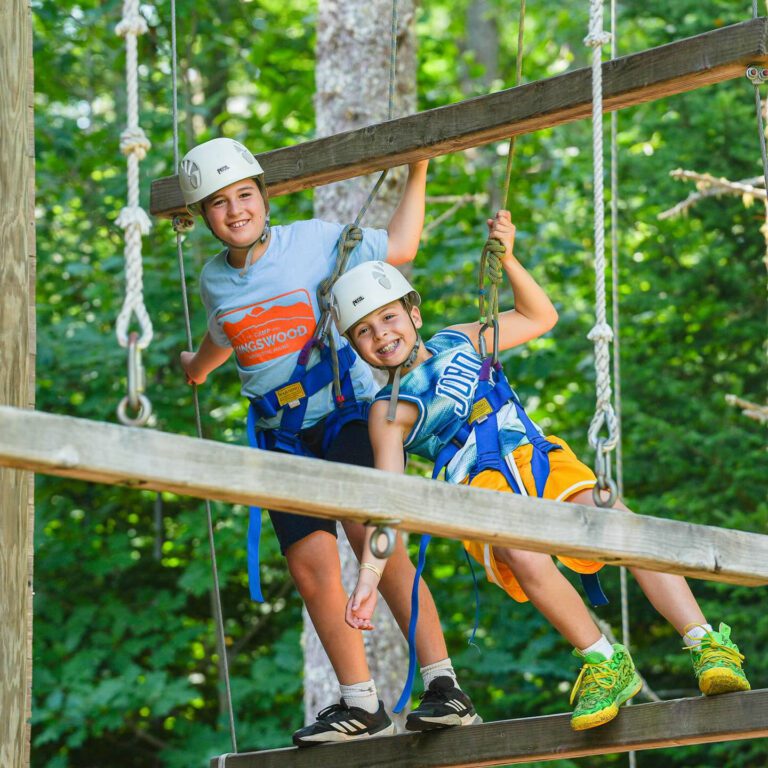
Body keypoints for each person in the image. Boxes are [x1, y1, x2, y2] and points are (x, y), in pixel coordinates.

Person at [330, 209, 751, 732]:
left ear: (413, 314)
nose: (381, 335)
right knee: (520, 554)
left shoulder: (460, 338)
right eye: (365, 332)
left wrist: (509, 261)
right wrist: (369, 578)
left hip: (535, 456)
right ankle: (603, 661)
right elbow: (388, 500)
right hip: (478, 488)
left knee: (616, 520)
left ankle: (707, 644)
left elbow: (539, 317)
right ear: (356, 348)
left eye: (389, 318)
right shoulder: (386, 412)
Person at [177, 137, 480, 746]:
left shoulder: (312, 243)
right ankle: (360, 702)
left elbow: (400, 248)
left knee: (377, 539)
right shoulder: (214, 281)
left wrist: (417, 166)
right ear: (202, 216)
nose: (236, 212)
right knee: (312, 570)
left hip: (344, 415)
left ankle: (444, 684)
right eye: (218, 204)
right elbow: (226, 331)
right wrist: (198, 367)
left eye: (244, 196)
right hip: (279, 436)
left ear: (264, 196)